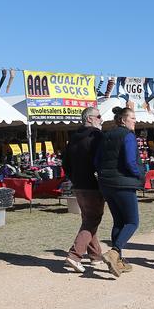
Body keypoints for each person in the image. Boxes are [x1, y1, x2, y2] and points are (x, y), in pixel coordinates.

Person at [95, 106, 143, 278]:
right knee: (132, 222)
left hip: (106, 184)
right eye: (132, 118)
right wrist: (140, 174)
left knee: (119, 222)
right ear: (123, 120)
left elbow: (97, 161)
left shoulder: (106, 135)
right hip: (123, 183)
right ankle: (114, 253)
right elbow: (130, 161)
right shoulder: (128, 136)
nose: (135, 121)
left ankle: (117, 261)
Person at [62, 107, 104, 273]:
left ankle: (95, 256)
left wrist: (74, 177)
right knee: (93, 219)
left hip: (78, 184)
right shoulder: (97, 135)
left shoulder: (73, 137)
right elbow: (102, 161)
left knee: (89, 218)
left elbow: (64, 162)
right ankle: (75, 255)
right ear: (89, 119)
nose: (101, 119)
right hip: (92, 184)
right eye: (98, 116)